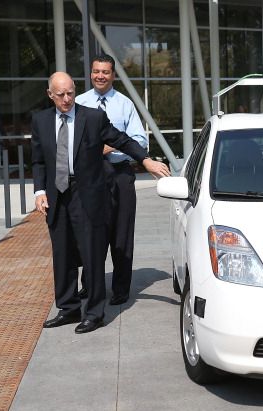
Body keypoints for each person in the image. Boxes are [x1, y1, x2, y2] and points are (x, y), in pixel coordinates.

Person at [32, 72, 170, 333]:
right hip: (57, 194)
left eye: (70, 92)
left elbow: (122, 139)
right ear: (50, 94)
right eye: (60, 94)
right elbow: (39, 160)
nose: (67, 99)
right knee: (63, 254)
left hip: (87, 194)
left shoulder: (92, 117)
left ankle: (94, 313)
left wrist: (145, 160)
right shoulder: (40, 121)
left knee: (92, 253)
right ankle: (69, 308)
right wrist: (39, 191)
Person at [76, 54, 147, 306]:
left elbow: (140, 141)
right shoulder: (78, 102)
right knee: (91, 232)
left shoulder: (124, 104)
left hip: (119, 176)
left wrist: (108, 148)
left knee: (121, 234)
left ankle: (120, 288)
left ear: (113, 75)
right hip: (89, 179)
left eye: (105, 72)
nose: (100, 76)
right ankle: (89, 285)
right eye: (96, 71)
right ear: (91, 73)